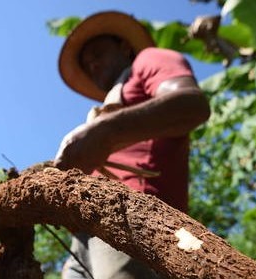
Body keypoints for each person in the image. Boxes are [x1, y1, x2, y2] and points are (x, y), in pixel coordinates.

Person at [54, 11, 210, 279]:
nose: (92, 64)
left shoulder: (149, 60)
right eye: (86, 62)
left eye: (98, 53)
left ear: (124, 48)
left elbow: (192, 105)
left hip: (133, 215)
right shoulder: (105, 109)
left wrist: (105, 133)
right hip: (84, 235)